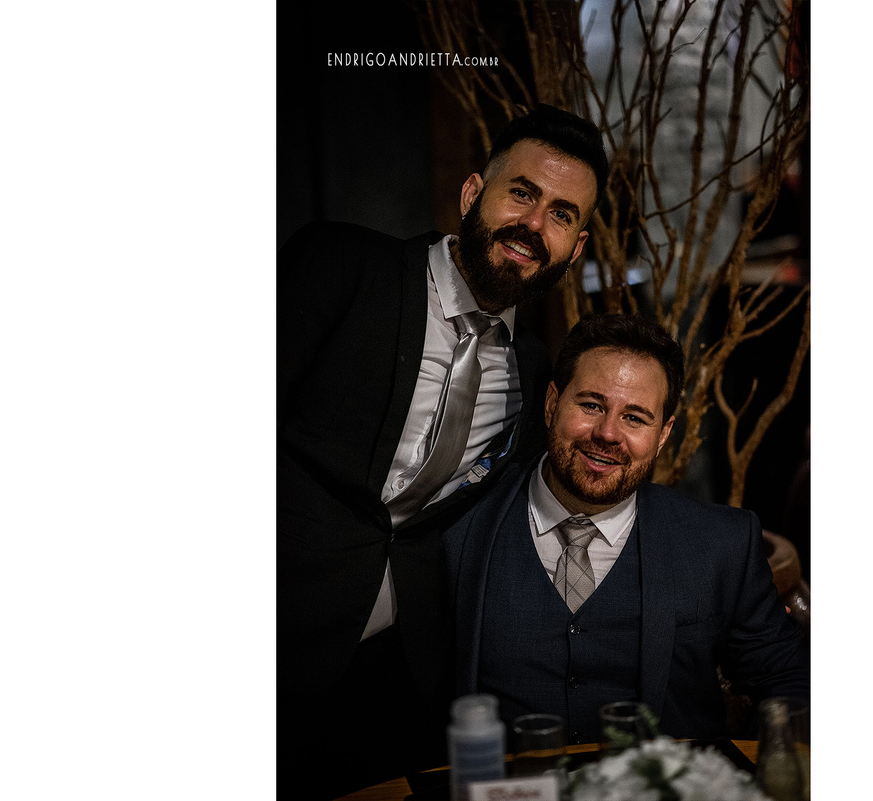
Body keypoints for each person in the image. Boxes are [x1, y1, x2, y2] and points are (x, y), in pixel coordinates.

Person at [277, 105, 608, 798]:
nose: (533, 223)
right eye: (521, 192)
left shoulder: (533, 374)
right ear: (471, 193)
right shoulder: (341, 265)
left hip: (391, 681)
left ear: (576, 248)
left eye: (561, 214)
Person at [443, 314, 810, 743]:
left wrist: (752, 765)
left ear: (663, 434)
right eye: (591, 405)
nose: (608, 433)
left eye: (635, 418)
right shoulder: (460, 527)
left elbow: (791, 681)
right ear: (552, 403)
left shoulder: (722, 544)